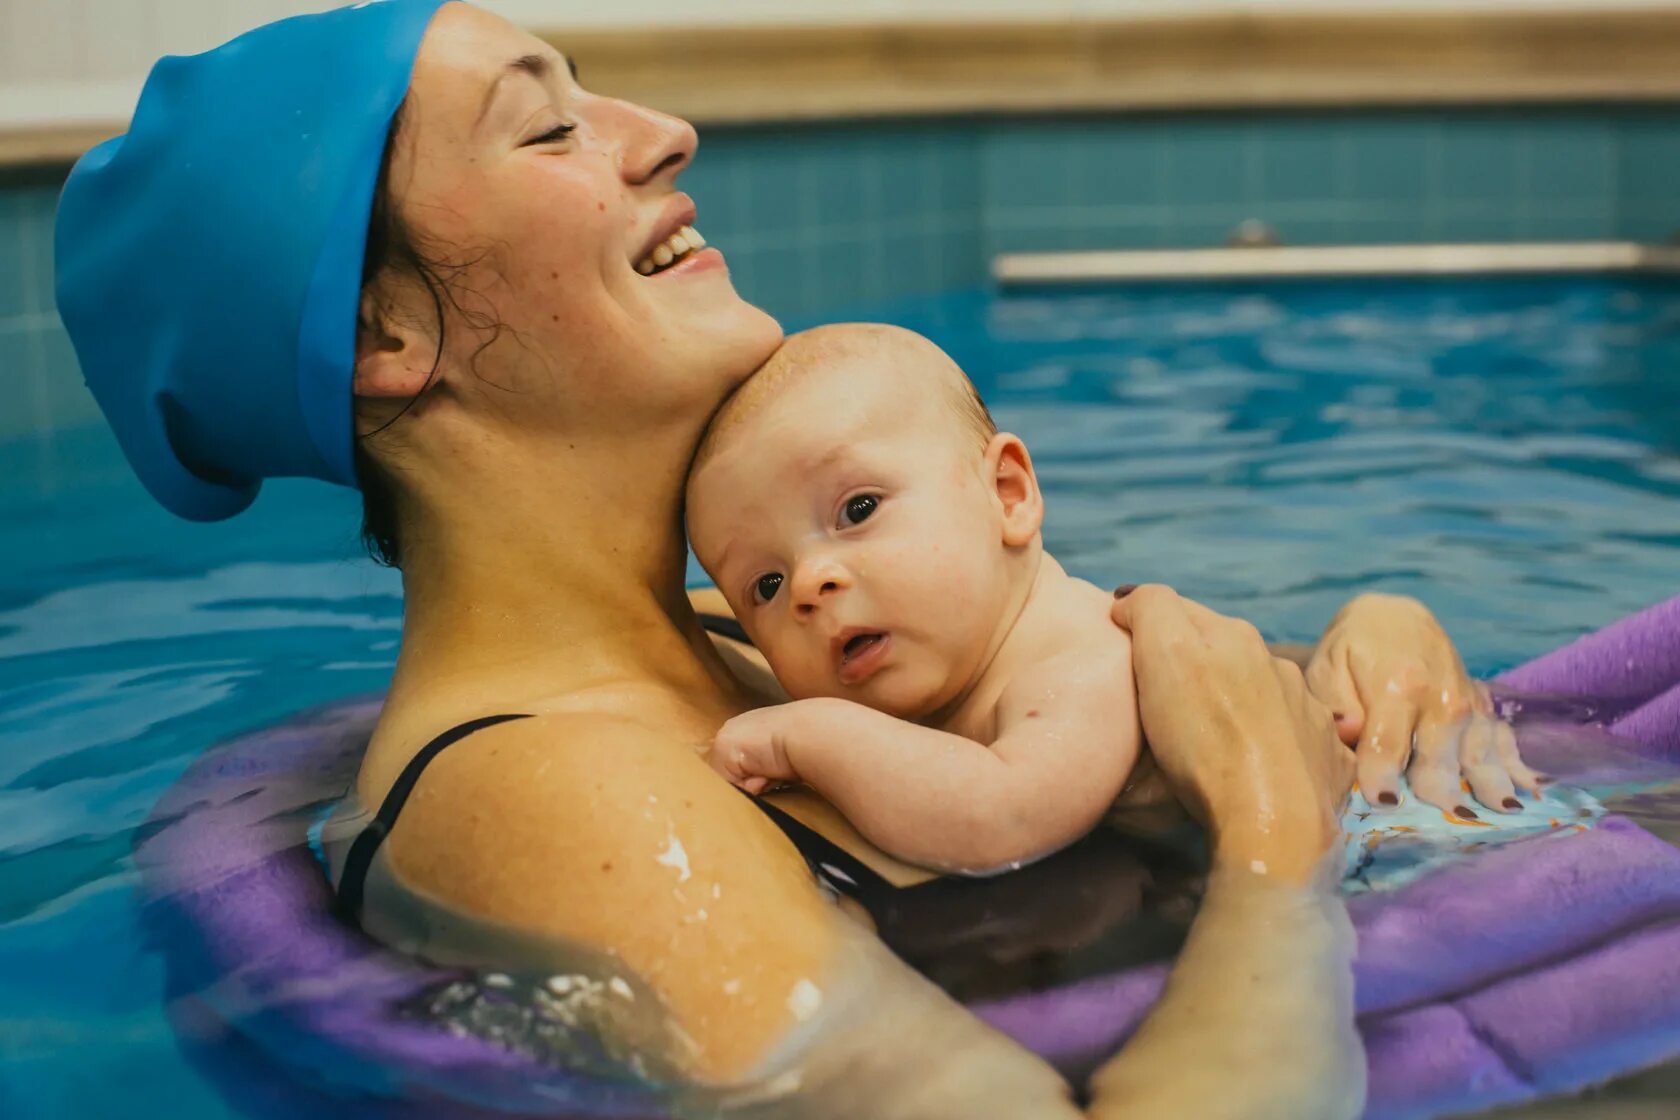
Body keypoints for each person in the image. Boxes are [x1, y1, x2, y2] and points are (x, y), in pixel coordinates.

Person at [53, 2, 1514, 1114]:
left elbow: (1134, 698)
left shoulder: (751, 636)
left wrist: (1368, 651)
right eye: (549, 129)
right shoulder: (556, 792)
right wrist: (1278, 849)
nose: (663, 132)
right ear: (384, 335)